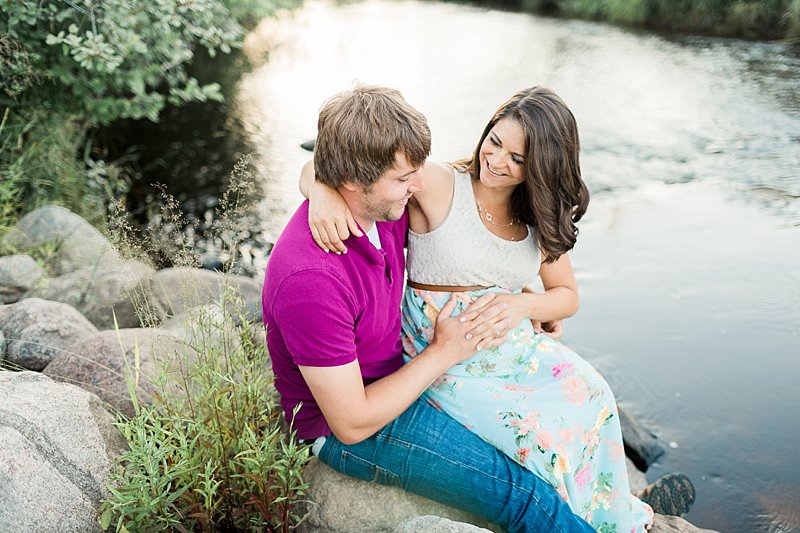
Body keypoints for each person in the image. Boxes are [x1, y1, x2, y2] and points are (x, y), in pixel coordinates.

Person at [302, 87, 696, 531]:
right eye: (495, 141)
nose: (496, 160)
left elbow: (566, 295)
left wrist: (523, 303)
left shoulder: (538, 216)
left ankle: (617, 506)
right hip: (442, 349)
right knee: (534, 437)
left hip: (508, 344)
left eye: (517, 159)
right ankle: (615, 512)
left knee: (593, 394)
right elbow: (334, 167)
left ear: (542, 168)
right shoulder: (439, 182)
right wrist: (322, 194)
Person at [263, 85, 597, 533]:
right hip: (349, 424)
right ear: (353, 182)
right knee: (523, 496)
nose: (420, 186)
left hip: (400, 373)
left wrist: (530, 300)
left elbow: (474, 252)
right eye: (405, 179)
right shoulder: (311, 281)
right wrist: (443, 351)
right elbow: (352, 423)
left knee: (549, 439)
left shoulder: (387, 208)